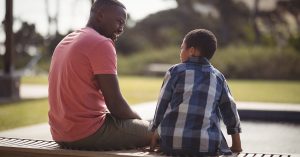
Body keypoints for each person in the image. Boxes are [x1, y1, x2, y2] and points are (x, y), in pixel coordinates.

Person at [48, 0, 151, 150]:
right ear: (100, 15)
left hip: (59, 133)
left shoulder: (67, 40)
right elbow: (116, 105)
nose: (121, 29)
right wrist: (141, 123)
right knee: (160, 133)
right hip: (87, 133)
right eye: (119, 21)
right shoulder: (101, 43)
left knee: (144, 125)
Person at [149, 29, 242, 156]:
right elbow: (229, 110)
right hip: (206, 147)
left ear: (192, 51)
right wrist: (237, 145)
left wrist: (154, 131)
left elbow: (162, 105)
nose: (180, 52)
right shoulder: (218, 77)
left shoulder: (175, 71)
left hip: (171, 145)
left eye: (182, 48)